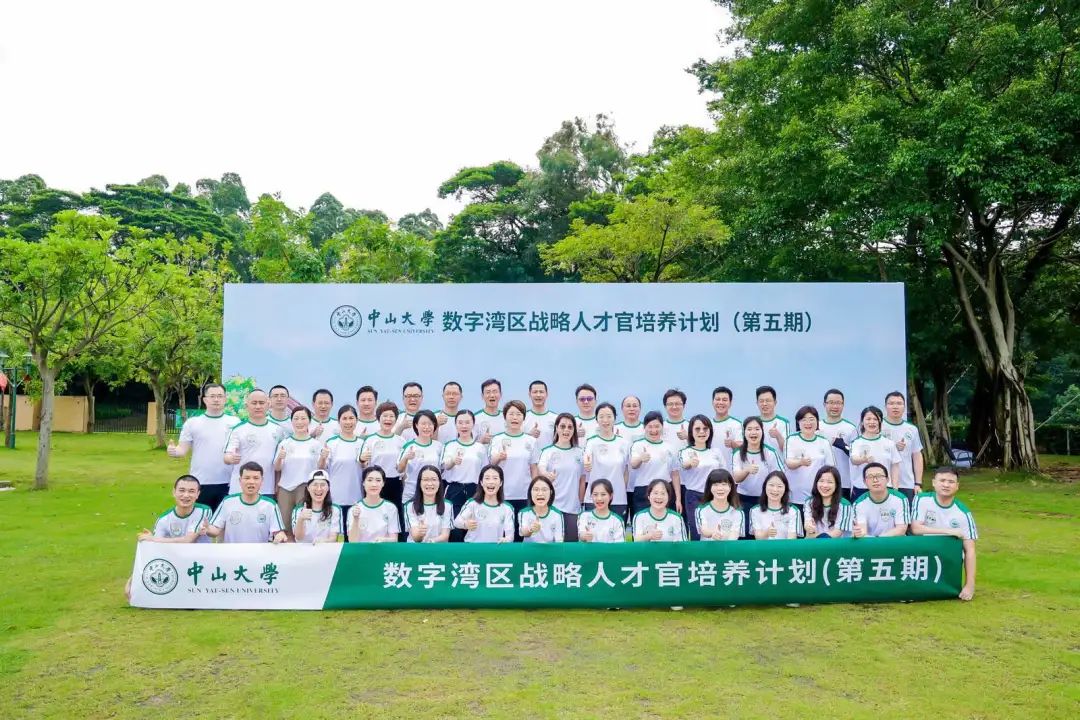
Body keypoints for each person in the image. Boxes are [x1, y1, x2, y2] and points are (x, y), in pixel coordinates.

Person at [167, 382, 239, 511]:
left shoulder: (234, 422)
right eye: (212, 396)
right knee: (201, 519)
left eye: (220, 396)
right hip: (201, 481)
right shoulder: (193, 423)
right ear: (205, 399)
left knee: (225, 521)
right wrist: (173, 451)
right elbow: (182, 450)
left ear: (225, 399)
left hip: (228, 482)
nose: (216, 399)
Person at [911, 467, 978, 601]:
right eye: (942, 480)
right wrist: (947, 531)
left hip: (948, 558)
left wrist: (969, 585)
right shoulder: (922, 499)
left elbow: (970, 550)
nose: (946, 485)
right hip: (923, 555)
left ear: (957, 486)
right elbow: (916, 529)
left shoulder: (963, 513)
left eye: (951, 482)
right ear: (934, 483)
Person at [531, 412, 585, 541]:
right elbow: (541, 468)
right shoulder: (548, 451)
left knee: (570, 546)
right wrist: (546, 475)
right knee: (549, 546)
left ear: (574, 430)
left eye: (570, 427)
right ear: (556, 428)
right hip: (551, 508)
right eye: (562, 426)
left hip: (572, 509)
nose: (566, 430)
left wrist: (580, 502)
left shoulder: (580, 452)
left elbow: (582, 480)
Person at [223, 389, 288, 497]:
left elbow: (280, 461)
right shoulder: (237, 430)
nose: (258, 406)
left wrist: (277, 483)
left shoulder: (278, 430)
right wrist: (231, 458)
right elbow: (227, 456)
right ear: (247, 406)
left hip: (267, 488)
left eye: (261, 403)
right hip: (240, 489)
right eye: (254, 403)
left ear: (268, 405)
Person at [273, 406, 324, 537]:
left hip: (306, 489)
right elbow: (277, 468)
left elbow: (321, 468)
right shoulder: (285, 443)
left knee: (304, 527)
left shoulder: (316, 444)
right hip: (286, 488)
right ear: (291, 421)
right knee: (285, 528)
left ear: (309, 421)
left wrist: (323, 457)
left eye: (303, 418)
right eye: (296, 418)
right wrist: (279, 458)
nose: (299, 422)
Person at [207, 462, 287, 543]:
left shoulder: (270, 505)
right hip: (232, 551)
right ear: (240, 480)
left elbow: (278, 532)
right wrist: (207, 528)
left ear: (262, 481)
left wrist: (280, 535)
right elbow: (215, 529)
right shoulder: (227, 502)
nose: (251, 482)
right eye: (247, 478)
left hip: (259, 551)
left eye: (256, 478)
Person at [677, 414, 728, 540]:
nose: (702, 432)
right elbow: (683, 465)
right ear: (691, 432)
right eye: (697, 429)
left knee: (717, 529)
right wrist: (690, 463)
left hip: (715, 496)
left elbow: (725, 474)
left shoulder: (716, 452)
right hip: (694, 496)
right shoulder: (685, 452)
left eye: (705, 429)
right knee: (697, 531)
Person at [441, 409, 488, 541]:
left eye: (467, 422)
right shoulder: (450, 445)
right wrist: (453, 461)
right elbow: (444, 466)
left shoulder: (480, 447)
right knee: (455, 529)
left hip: (475, 491)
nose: (464, 426)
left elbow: (485, 471)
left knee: (474, 526)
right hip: (454, 490)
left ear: (473, 424)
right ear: (455, 425)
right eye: (460, 422)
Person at [488, 400, 538, 521]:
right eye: (511, 414)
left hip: (525, 494)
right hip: (502, 494)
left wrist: (535, 490)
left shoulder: (531, 441)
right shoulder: (497, 439)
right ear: (505, 417)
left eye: (518, 414)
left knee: (523, 528)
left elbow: (534, 468)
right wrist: (499, 457)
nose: (515, 417)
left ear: (523, 418)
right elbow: (491, 463)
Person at [628, 411, 682, 517]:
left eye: (657, 426)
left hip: (665, 490)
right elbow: (633, 464)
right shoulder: (638, 445)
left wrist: (678, 499)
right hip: (643, 491)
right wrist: (640, 459)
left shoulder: (670, 447)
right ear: (644, 427)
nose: (654, 430)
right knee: (642, 523)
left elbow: (675, 474)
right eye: (650, 427)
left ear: (662, 427)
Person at [582, 402, 630, 520]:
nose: (605, 420)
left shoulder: (624, 443)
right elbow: (587, 459)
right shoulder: (591, 442)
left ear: (615, 418)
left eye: (609, 416)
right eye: (601, 417)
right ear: (596, 419)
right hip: (595, 499)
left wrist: (621, 488)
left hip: (618, 499)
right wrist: (587, 464)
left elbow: (626, 471)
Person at [360, 401, 406, 519]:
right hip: (375, 483)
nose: (388, 419)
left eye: (391, 416)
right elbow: (364, 465)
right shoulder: (370, 440)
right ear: (378, 418)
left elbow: (404, 469)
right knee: (374, 517)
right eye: (385, 416)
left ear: (396, 419)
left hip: (395, 484)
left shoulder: (401, 441)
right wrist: (363, 460)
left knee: (395, 517)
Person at [783, 406, 836, 507]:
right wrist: (800, 462)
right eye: (804, 420)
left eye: (811, 419)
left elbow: (831, 468)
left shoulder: (824, 441)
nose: (808, 423)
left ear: (817, 422)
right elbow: (789, 463)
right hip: (794, 497)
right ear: (798, 422)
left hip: (818, 496)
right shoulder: (791, 439)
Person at [138, 475, 211, 543]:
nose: (186, 495)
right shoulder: (163, 519)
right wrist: (151, 540)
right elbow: (156, 544)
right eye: (182, 490)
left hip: (201, 553)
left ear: (198, 494)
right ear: (174, 492)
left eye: (191, 491)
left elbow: (188, 540)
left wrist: (153, 539)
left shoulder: (203, 511)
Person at [850, 406, 902, 500]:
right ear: (862, 422)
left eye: (875, 419)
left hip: (885, 488)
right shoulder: (856, 442)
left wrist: (895, 488)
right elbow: (854, 460)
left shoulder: (889, 443)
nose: (872, 422)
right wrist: (863, 460)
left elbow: (895, 466)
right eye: (868, 419)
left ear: (880, 422)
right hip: (862, 489)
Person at [731, 416, 783, 511]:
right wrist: (747, 470)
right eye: (749, 429)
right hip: (743, 498)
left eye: (757, 429)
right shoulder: (737, 453)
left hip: (766, 498)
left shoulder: (770, 452)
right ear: (744, 433)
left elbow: (779, 476)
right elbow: (736, 478)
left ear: (762, 431)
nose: (753, 432)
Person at [882, 391, 926, 501]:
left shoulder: (912, 429)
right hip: (882, 482)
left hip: (906, 483)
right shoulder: (877, 426)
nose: (895, 406)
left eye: (899, 403)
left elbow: (917, 456)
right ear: (885, 406)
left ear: (904, 407)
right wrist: (893, 448)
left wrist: (918, 483)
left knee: (907, 511)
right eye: (891, 403)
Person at [454, 465, 515, 543]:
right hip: (473, 547)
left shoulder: (507, 508)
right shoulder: (472, 503)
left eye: (495, 478)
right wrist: (465, 524)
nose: (491, 482)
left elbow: (510, 535)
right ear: (481, 482)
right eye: (487, 478)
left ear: (501, 483)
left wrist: (506, 540)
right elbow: (457, 522)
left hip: (495, 548)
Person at [397, 410, 444, 505]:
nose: (427, 427)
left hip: (433, 493)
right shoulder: (409, 446)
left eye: (430, 424)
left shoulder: (439, 446)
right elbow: (399, 469)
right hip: (411, 493)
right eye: (423, 424)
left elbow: (442, 469)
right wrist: (406, 458)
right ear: (416, 425)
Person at [320, 405, 363, 507]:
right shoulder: (331, 443)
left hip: (357, 498)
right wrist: (322, 457)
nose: (348, 422)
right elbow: (321, 468)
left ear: (357, 420)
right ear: (339, 421)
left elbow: (367, 468)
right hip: (335, 498)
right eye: (344, 418)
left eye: (351, 418)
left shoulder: (362, 443)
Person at [852, 462, 910, 537]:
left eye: (879, 476)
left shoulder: (900, 499)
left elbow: (901, 529)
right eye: (870, 477)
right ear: (864, 482)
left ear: (887, 479)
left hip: (894, 541)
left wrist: (879, 539)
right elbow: (862, 532)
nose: (875, 480)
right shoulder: (859, 504)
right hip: (870, 542)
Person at [819, 389, 858, 499]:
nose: (835, 406)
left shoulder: (851, 428)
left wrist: (843, 446)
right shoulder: (817, 427)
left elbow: (856, 455)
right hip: (821, 482)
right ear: (824, 404)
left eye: (838, 403)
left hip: (844, 482)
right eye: (831, 402)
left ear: (843, 405)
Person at [347, 467, 400, 542]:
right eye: (369, 480)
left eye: (378, 480)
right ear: (363, 483)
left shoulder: (391, 508)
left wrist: (384, 540)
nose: (374, 484)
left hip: (383, 548)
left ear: (383, 483)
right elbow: (352, 541)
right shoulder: (354, 509)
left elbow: (394, 540)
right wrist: (356, 519)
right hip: (362, 549)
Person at [292, 469, 343, 544]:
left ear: (328, 488)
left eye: (323, 485)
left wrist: (323, 542)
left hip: (326, 549)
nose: (319, 489)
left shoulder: (335, 510)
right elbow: (298, 538)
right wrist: (301, 519)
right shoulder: (299, 510)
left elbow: (334, 538)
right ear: (308, 488)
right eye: (315, 485)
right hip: (303, 550)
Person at [405, 465, 453, 543]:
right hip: (416, 548)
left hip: (438, 547)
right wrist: (420, 534)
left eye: (434, 479)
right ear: (419, 483)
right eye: (425, 480)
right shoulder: (410, 506)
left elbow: (445, 536)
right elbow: (416, 538)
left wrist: (431, 541)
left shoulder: (447, 505)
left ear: (439, 482)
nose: (430, 483)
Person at [749, 470, 803, 539]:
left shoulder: (793, 511)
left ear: (785, 489)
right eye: (771, 485)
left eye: (779, 486)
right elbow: (758, 538)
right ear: (765, 487)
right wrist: (767, 533)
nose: (775, 490)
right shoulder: (755, 510)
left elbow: (791, 540)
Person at [803, 466, 853, 538]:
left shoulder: (845, 505)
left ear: (836, 485)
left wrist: (814, 536)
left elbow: (837, 533)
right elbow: (808, 528)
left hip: (835, 543)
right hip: (814, 543)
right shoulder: (809, 502)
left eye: (830, 482)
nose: (825, 485)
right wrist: (808, 527)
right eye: (821, 481)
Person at [695, 469, 742, 541]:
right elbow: (704, 530)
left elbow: (734, 535)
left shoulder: (738, 511)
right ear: (709, 487)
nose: (720, 488)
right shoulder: (701, 509)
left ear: (730, 487)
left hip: (728, 547)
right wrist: (713, 533)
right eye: (715, 485)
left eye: (724, 484)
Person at [519, 476, 564, 543]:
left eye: (544, 490)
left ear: (551, 492)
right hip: (529, 549)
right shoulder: (524, 513)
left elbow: (559, 541)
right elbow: (523, 533)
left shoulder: (557, 514)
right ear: (530, 492)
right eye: (536, 489)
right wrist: (531, 529)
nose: (540, 493)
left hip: (549, 549)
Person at [524, 379, 558, 448]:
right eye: (535, 392)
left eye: (541, 392)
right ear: (529, 394)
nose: (538, 395)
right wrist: (528, 435)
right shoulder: (522, 418)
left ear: (547, 394)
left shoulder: (556, 418)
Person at [710, 386, 742, 458]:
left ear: (730, 403)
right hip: (711, 465)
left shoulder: (736, 424)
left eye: (724, 400)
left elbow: (743, 446)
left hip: (730, 465)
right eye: (718, 399)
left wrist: (733, 444)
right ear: (712, 402)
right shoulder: (707, 424)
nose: (721, 402)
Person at [756, 385, 789, 452]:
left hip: (778, 459)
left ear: (775, 402)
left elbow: (787, 450)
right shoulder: (753, 423)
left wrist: (778, 435)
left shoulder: (783, 422)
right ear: (757, 403)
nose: (764, 404)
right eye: (761, 401)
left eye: (768, 400)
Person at [475, 378, 506, 444]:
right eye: (488, 392)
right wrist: (481, 441)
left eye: (495, 392)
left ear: (501, 394)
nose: (492, 395)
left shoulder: (507, 418)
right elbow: (468, 445)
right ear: (482, 396)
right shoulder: (475, 418)